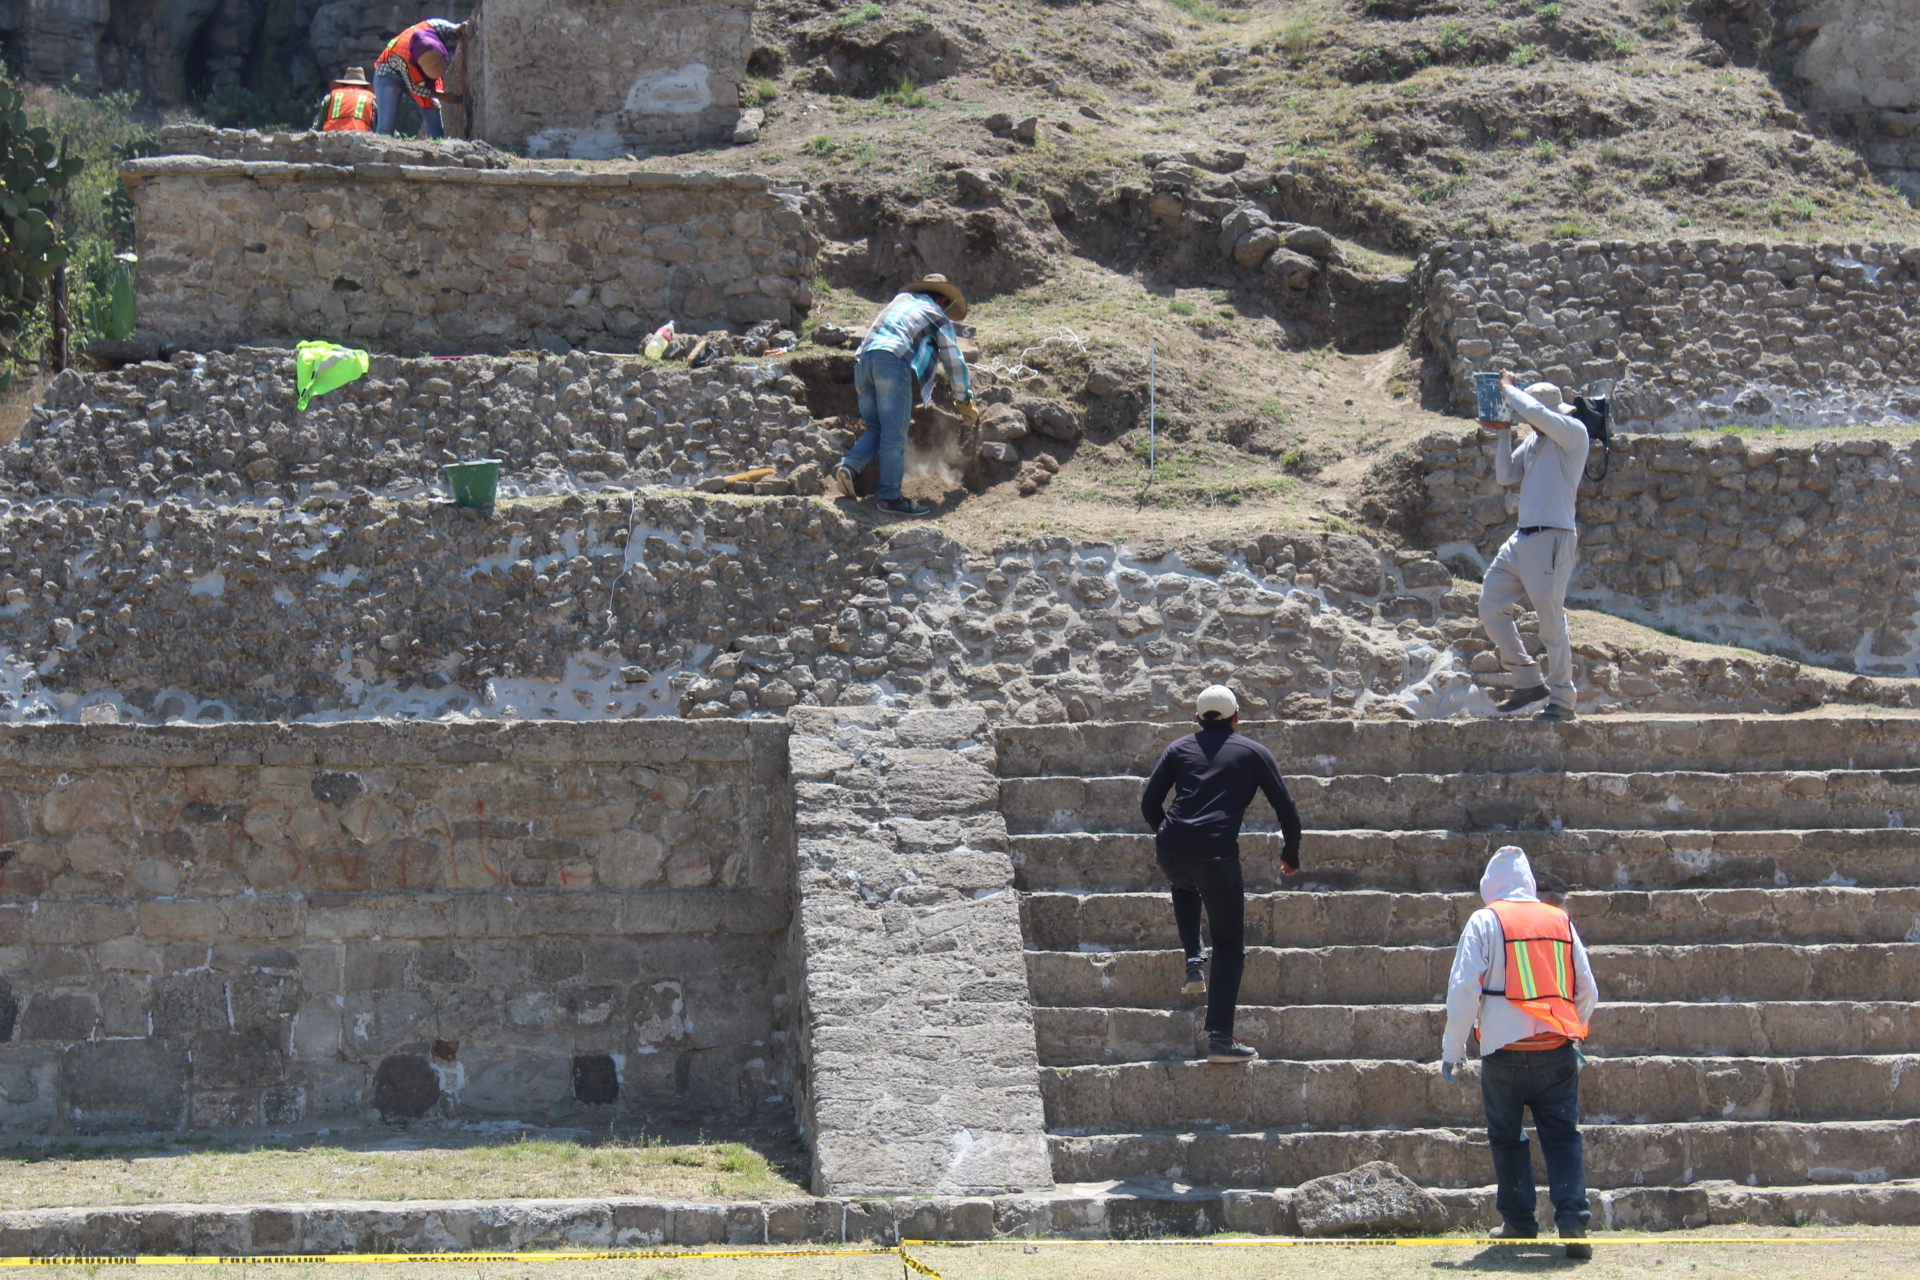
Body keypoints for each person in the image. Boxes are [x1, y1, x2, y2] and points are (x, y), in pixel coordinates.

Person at [1440, 846, 1599, 1260]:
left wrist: (1452, 1050)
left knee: (1507, 1138)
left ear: (1489, 887)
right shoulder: (1559, 919)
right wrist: (1572, 1031)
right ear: (1529, 884)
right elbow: (1588, 990)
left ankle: (1519, 1223)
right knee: (1563, 1137)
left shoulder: (1485, 920)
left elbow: (1463, 989)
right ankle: (1573, 1221)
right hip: (1556, 1049)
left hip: (1502, 1051)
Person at [1138, 685, 1301, 1064]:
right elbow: (1287, 809)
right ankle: (1221, 1039)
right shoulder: (1253, 753)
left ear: (1197, 718)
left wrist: (1167, 835)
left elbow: (1149, 803)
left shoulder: (1177, 749)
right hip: (1217, 853)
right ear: (1236, 717)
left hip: (1172, 846)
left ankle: (1194, 962)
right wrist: (1290, 854)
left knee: (1183, 881)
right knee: (1228, 943)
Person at [1476, 369, 1592, 721]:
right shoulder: (1537, 439)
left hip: (1552, 538)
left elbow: (1538, 414)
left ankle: (1562, 699)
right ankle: (1527, 679)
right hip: (1522, 537)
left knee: (1550, 623)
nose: (1532, 423)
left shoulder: (1573, 433)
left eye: (1533, 416)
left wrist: (1509, 391)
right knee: (1491, 605)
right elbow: (1506, 475)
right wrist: (1504, 434)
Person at [831, 274, 978, 518]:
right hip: (892, 361)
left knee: (877, 427)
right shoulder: (936, 314)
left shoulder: (899, 302)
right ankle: (889, 497)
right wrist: (964, 400)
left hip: (863, 362)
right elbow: (954, 361)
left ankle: (849, 466)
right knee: (894, 435)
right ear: (942, 299)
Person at [374, 19, 466, 140]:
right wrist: (442, 95)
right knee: (386, 127)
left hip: (414, 75)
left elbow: (457, 28)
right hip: (388, 76)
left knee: (434, 116)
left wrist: (462, 29)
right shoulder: (405, 59)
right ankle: (380, 155)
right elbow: (415, 88)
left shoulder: (436, 27)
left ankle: (437, 149)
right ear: (419, 64)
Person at [311, 67, 376, 133]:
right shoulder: (371, 97)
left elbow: (319, 123)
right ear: (365, 85)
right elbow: (377, 123)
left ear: (343, 83)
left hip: (331, 135)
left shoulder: (331, 96)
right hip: (359, 136)